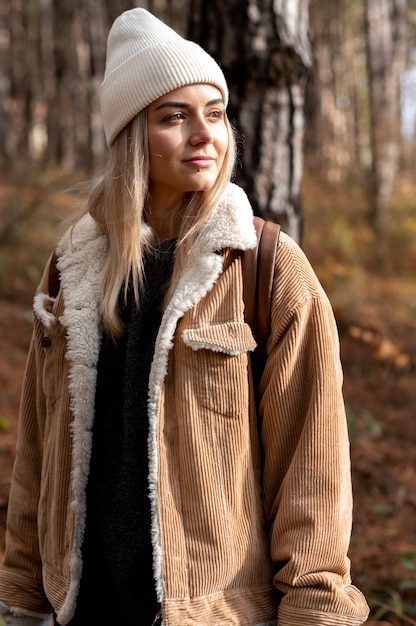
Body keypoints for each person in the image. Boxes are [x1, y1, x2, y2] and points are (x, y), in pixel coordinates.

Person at [0, 8, 370, 626]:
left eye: (215, 112)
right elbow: (40, 452)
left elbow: (312, 467)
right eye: (174, 117)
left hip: (213, 613)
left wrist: (317, 610)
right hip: (85, 609)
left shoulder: (266, 267)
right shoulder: (75, 268)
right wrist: (20, 594)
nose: (206, 134)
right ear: (131, 136)